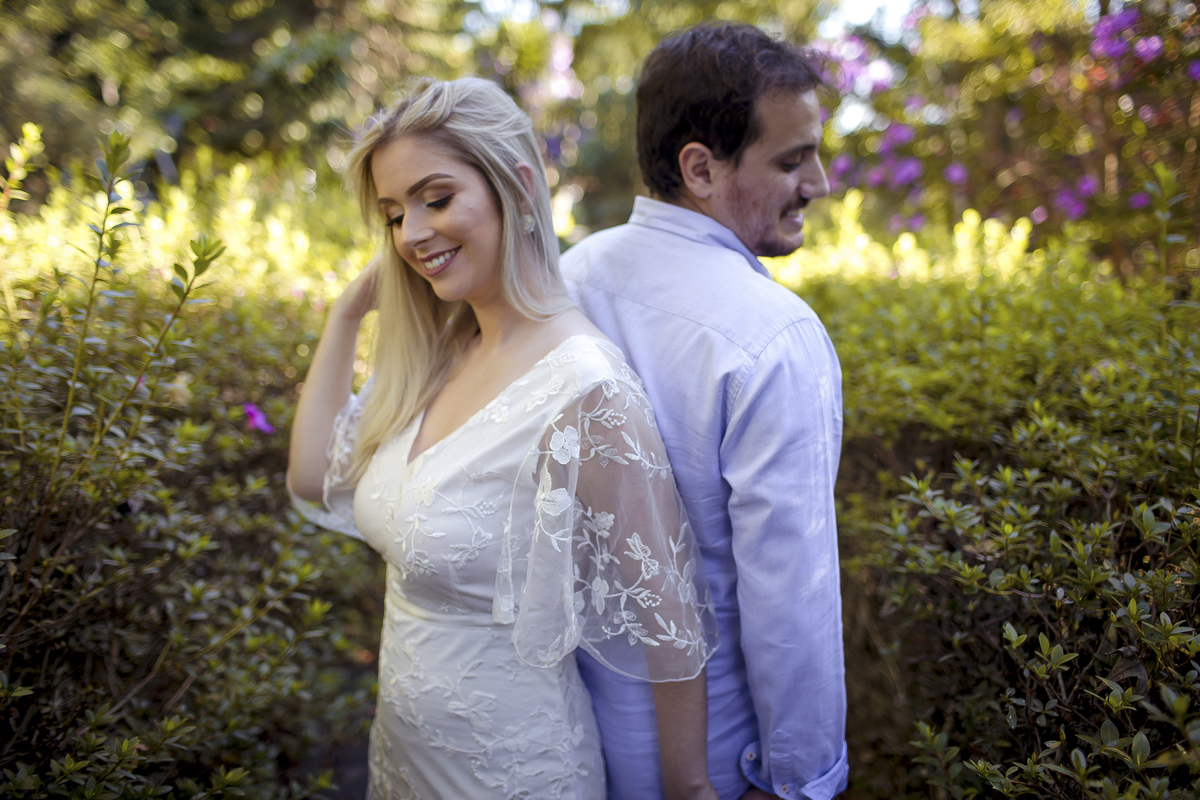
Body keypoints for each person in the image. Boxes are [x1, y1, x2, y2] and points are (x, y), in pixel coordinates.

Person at [287, 77, 720, 800]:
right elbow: (311, 476)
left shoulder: (586, 389)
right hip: (402, 758)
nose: (413, 234)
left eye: (436, 198)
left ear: (516, 186)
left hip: (515, 773)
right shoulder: (443, 352)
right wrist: (344, 317)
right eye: (395, 215)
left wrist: (690, 789)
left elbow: (668, 616)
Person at [560, 22, 847, 800]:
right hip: (721, 760)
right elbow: (793, 596)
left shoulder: (565, 279)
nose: (818, 183)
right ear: (700, 168)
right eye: (792, 159)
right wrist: (800, 780)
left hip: (569, 737)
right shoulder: (772, 335)